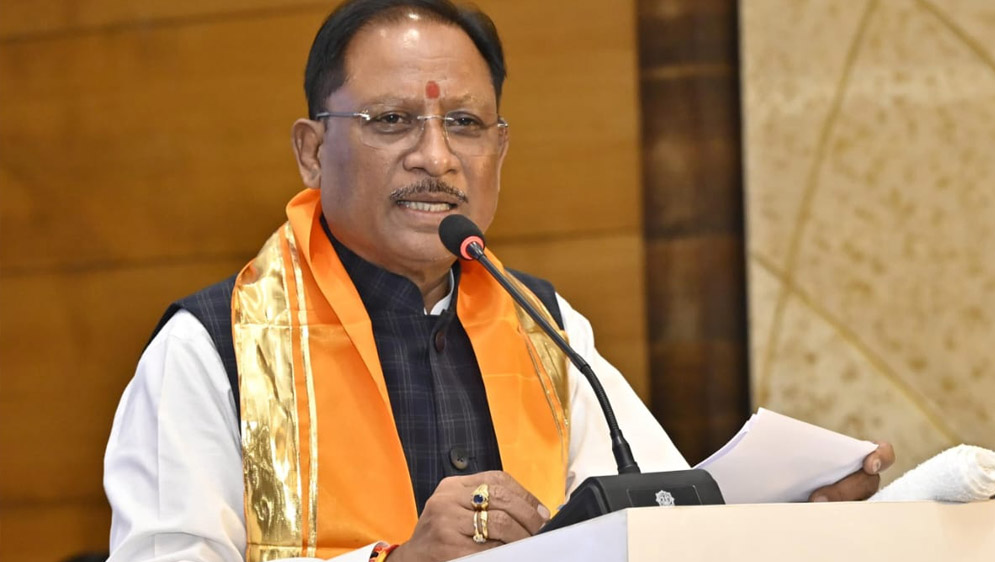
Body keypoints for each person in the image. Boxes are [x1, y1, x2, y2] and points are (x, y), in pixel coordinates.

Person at [103, 1, 895, 561]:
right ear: (312, 151)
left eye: (464, 124)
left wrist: (790, 522)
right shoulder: (214, 349)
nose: (435, 158)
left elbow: (652, 526)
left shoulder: (544, 327)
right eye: (391, 121)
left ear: (499, 151)